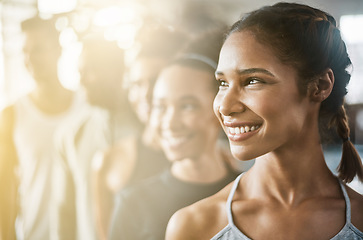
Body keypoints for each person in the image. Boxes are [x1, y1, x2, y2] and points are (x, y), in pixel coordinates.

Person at [166, 3, 363, 240]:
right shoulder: (195, 226)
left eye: (252, 81)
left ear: (320, 86)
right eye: (223, 83)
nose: (225, 106)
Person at [109, 28, 241, 240]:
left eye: (188, 106)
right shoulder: (133, 205)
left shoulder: (249, 196)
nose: (170, 123)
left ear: (220, 108)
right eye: (161, 107)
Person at [92, 25, 187, 240]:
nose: (145, 94)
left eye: (154, 81)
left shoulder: (214, 156)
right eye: (137, 84)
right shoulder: (108, 161)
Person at [0, 15, 85, 240]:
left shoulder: (86, 107)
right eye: (25, 51)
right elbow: (4, 189)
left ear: (58, 50)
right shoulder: (11, 115)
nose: (30, 58)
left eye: (38, 49)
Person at [53, 34, 134, 240]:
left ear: (117, 71)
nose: (82, 80)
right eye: (80, 71)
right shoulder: (70, 134)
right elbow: (64, 210)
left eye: (91, 70)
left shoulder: (148, 128)